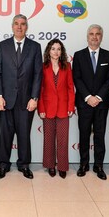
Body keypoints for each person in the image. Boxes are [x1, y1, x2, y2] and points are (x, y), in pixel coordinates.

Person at [0, 14, 42, 179]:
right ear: (12, 26)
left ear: (26, 27)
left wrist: (34, 97)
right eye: (16, 24)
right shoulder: (2, 46)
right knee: (5, 135)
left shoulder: (35, 47)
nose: (19, 27)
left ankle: (24, 165)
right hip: (6, 100)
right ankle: (3, 165)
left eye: (22, 24)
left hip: (26, 100)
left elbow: (37, 74)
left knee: (24, 134)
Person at [72, 24, 109, 180]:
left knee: (100, 135)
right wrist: (88, 97)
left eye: (97, 34)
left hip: (101, 103)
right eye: (91, 34)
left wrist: (98, 97)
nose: (94, 36)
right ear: (87, 36)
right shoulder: (78, 55)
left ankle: (99, 165)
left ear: (101, 36)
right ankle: (84, 164)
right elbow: (76, 78)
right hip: (84, 103)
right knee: (84, 135)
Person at [38, 39, 74, 179]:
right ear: (48, 51)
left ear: (62, 51)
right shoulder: (42, 67)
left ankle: (62, 167)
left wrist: (71, 106)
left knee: (63, 140)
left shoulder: (67, 66)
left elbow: (71, 88)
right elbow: (40, 89)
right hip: (47, 108)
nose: (56, 51)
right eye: (53, 48)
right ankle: (50, 165)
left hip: (64, 109)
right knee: (49, 139)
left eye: (59, 49)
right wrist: (41, 107)